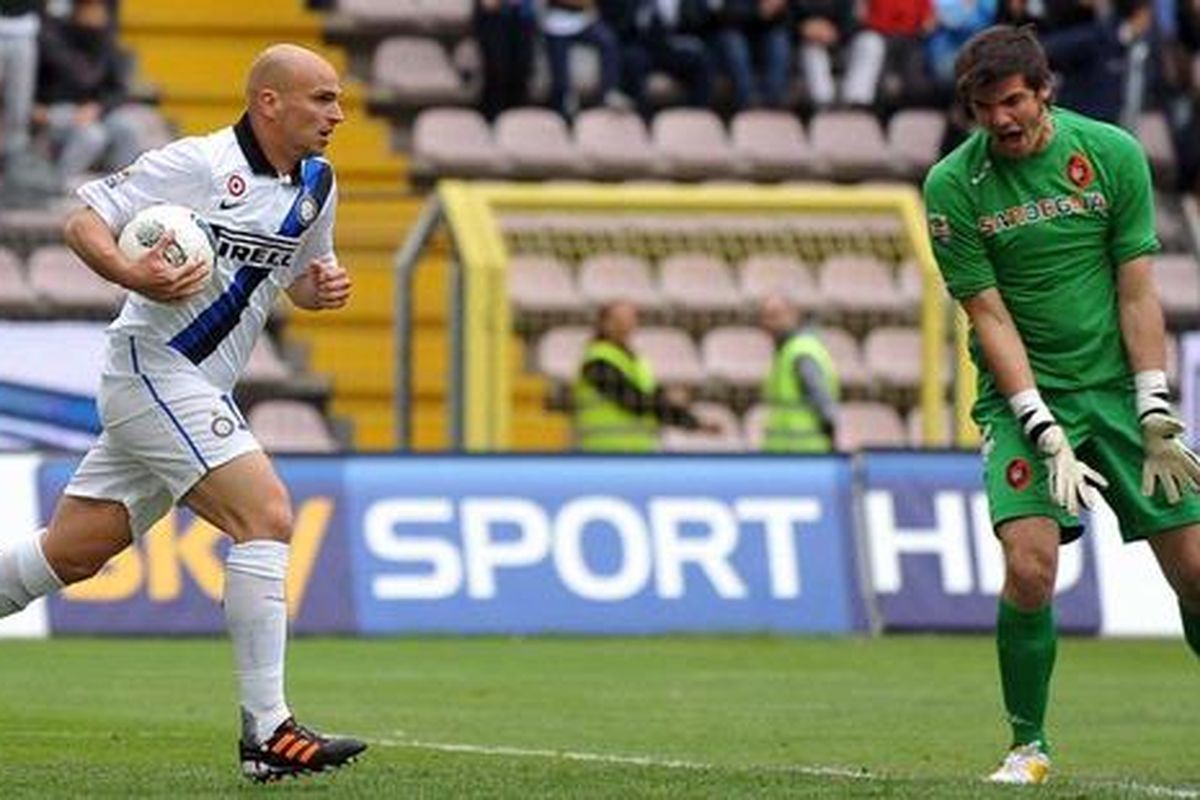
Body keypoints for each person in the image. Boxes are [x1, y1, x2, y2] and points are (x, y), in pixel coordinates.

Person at [0, 43, 367, 782]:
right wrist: (129, 271)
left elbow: (296, 275)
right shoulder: (198, 163)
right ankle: (268, 733)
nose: (337, 114)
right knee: (266, 514)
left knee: (73, 552)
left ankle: (268, 735)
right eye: (322, 98)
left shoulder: (318, 184)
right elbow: (83, 222)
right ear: (269, 103)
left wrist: (318, 291)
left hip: (200, 386)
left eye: (337, 100)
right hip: (153, 367)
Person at [923, 24, 1200, 785]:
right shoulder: (952, 186)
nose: (1001, 120)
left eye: (1013, 101)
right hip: (1023, 400)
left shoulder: (1110, 154)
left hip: (1117, 393)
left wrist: (1153, 402)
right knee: (1031, 567)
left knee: (1196, 572)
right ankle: (1028, 745)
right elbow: (987, 314)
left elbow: (1136, 291)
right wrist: (1038, 420)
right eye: (985, 108)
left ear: (1045, 91)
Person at [573, 299, 718, 451]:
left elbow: (654, 401)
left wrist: (696, 424)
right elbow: (631, 400)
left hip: (639, 450)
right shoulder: (597, 361)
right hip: (603, 450)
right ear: (604, 323)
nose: (626, 325)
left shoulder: (635, 361)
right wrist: (668, 398)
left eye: (630, 319)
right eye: (619, 320)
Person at [33, 0, 146, 183]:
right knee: (92, 136)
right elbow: (36, 89)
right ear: (75, 10)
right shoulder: (51, 40)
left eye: (99, 10)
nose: (96, 15)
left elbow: (118, 90)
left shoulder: (105, 44)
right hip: (57, 110)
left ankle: (121, 186)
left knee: (127, 128)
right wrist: (41, 111)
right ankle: (59, 183)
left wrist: (97, 108)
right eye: (89, 9)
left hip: (94, 110)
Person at [757, 295, 838, 452]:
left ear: (793, 315)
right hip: (784, 451)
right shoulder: (787, 351)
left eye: (775, 316)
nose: (768, 323)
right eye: (765, 317)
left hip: (805, 451)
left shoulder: (801, 352)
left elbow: (821, 398)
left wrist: (831, 435)